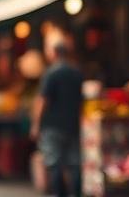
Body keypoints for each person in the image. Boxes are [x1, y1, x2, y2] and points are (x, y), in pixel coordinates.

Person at [31, 40, 84, 197]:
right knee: (74, 163)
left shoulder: (51, 73)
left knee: (54, 163)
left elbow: (43, 101)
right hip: (73, 124)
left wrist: (36, 124)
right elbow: (81, 101)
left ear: (54, 53)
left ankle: (59, 194)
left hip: (52, 126)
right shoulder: (77, 73)